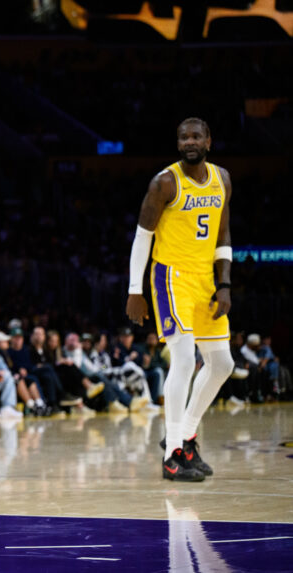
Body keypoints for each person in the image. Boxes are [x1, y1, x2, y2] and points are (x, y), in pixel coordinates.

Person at [126, 117, 234, 482]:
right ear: (178, 144)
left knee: (222, 364)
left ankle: (186, 435)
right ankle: (173, 455)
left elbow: (223, 232)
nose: (190, 141)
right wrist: (134, 291)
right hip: (170, 277)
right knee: (185, 359)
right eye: (183, 137)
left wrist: (225, 285)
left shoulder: (222, 179)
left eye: (196, 136)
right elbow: (142, 237)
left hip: (205, 280)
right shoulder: (165, 183)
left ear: (208, 141)